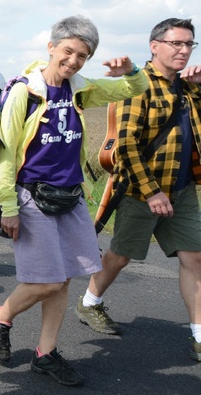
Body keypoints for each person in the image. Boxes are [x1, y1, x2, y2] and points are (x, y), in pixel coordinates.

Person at [0, 16, 148, 386]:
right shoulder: (25, 91)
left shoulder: (81, 89)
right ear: (52, 47)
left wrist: (132, 70)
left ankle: (45, 353)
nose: (74, 61)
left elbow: (131, 90)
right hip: (31, 197)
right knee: (46, 281)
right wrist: (8, 206)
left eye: (83, 56)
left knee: (65, 279)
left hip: (71, 196)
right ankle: (0, 317)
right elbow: (6, 153)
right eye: (69, 51)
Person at [75, 18, 201, 361]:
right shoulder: (140, 86)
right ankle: (89, 303)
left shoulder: (187, 88)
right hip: (141, 190)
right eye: (176, 43)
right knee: (121, 255)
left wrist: (200, 89)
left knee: (195, 258)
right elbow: (126, 145)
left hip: (183, 188)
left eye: (190, 44)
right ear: (155, 45)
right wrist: (152, 192)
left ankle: (199, 335)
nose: (184, 50)